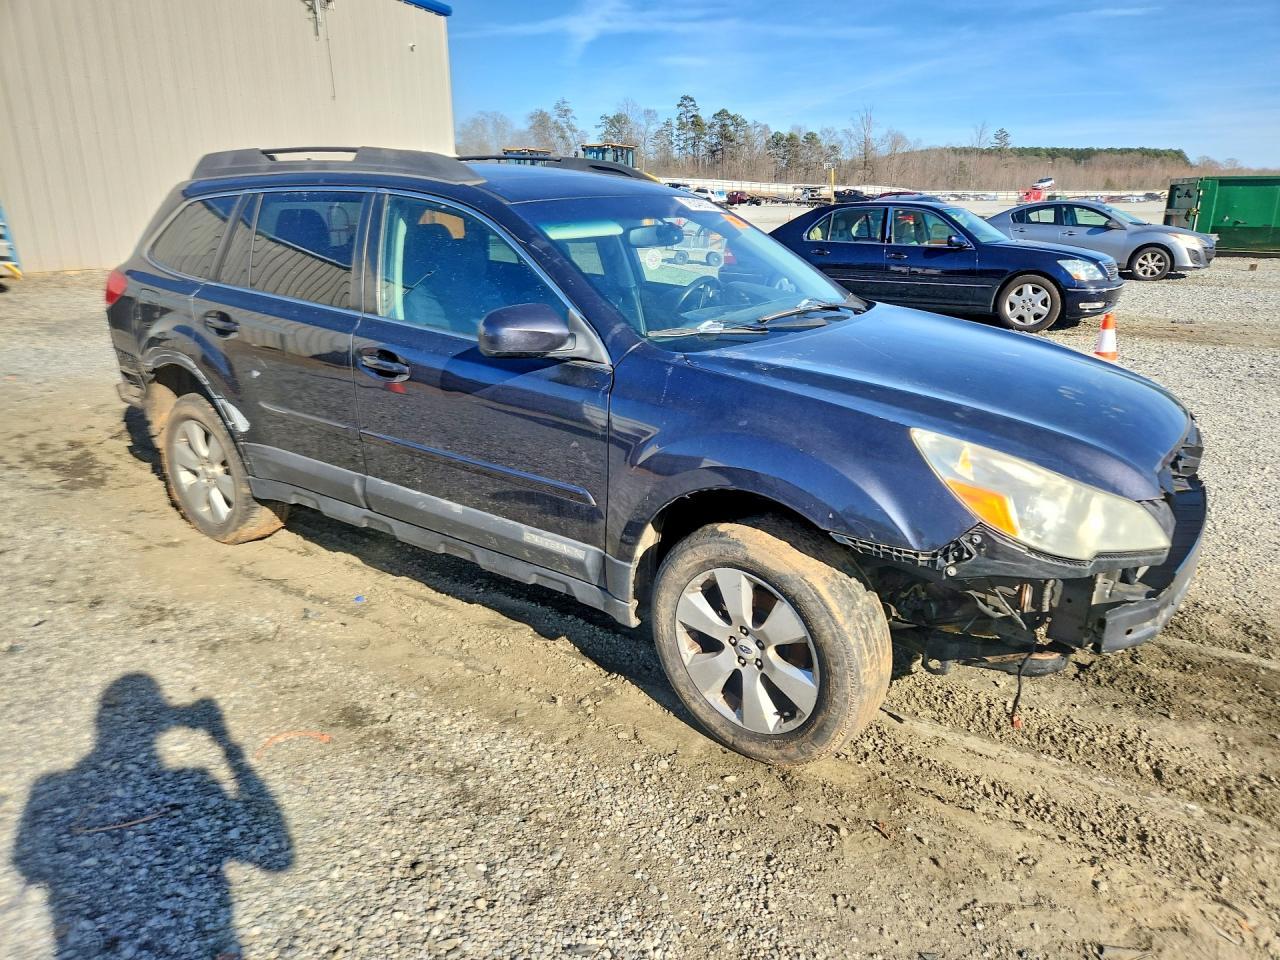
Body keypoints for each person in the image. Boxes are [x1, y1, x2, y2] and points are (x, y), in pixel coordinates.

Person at [13, 674, 292, 958]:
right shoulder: (197, 780)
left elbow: (29, 865)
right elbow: (277, 857)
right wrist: (226, 744)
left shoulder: (49, 785)